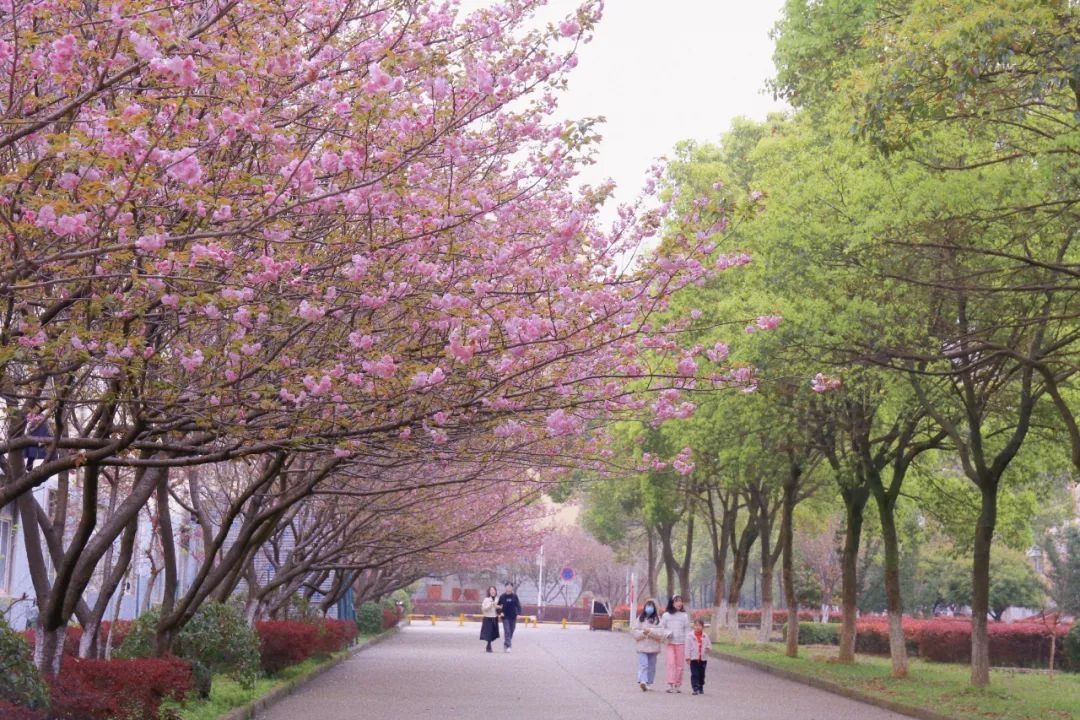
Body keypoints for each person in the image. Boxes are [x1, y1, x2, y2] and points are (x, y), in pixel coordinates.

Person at [630, 598, 664, 691]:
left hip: (654, 647)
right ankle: (643, 681)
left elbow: (661, 633)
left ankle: (649, 682)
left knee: (651, 666)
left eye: (651, 606)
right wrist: (643, 633)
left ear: (654, 608)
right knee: (643, 664)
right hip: (642, 647)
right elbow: (634, 632)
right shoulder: (640, 619)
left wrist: (650, 631)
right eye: (648, 606)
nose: (649, 608)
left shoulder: (658, 620)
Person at [660, 594, 690, 693]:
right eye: (676, 601)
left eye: (680, 601)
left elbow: (687, 630)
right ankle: (670, 684)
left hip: (681, 643)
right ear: (672, 603)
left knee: (679, 665)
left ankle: (677, 684)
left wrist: (688, 643)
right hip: (670, 643)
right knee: (671, 663)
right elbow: (662, 628)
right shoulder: (666, 615)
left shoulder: (684, 616)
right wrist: (667, 633)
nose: (679, 603)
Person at [496, 582, 522, 652]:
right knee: (507, 631)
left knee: (511, 631)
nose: (509, 587)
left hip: (513, 617)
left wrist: (519, 614)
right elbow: (498, 606)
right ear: (505, 587)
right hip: (505, 617)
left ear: (512, 588)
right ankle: (508, 646)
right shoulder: (502, 596)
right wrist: (500, 612)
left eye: (510, 586)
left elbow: (518, 606)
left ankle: (506, 643)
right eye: (507, 586)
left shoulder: (515, 596)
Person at [686, 618, 709, 695]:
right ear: (693, 626)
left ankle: (701, 686)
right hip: (693, 659)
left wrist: (707, 649)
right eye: (696, 625)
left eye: (699, 625)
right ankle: (695, 688)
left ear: (702, 627)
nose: (697, 627)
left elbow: (709, 645)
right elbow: (687, 647)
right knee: (694, 674)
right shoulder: (690, 636)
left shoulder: (705, 636)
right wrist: (688, 657)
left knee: (702, 674)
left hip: (703, 659)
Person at [479, 585, 500, 653]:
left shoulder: (497, 599)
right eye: (491, 590)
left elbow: (500, 608)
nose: (493, 591)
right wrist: (490, 605)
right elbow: (483, 609)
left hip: (495, 617)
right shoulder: (486, 599)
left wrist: (498, 607)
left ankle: (489, 644)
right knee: (488, 633)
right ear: (489, 591)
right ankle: (489, 645)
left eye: (494, 590)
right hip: (488, 618)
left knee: (493, 633)